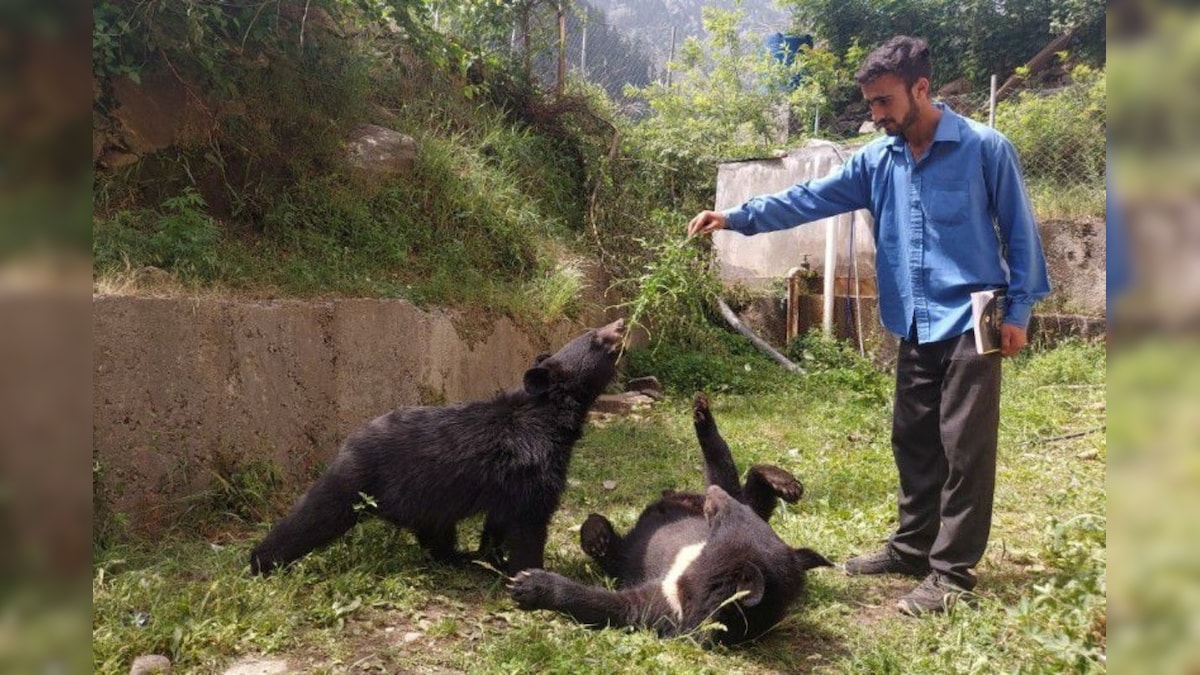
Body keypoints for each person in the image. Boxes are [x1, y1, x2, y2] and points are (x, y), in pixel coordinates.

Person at [687, 36, 1051, 616]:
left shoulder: (986, 148)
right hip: (911, 319)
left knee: (965, 448)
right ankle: (911, 548)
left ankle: (951, 575)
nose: (875, 115)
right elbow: (808, 199)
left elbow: (1021, 232)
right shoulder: (877, 161)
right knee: (912, 440)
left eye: (884, 102)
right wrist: (735, 217)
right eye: (871, 104)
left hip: (973, 316)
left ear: (921, 89)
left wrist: (1023, 311)